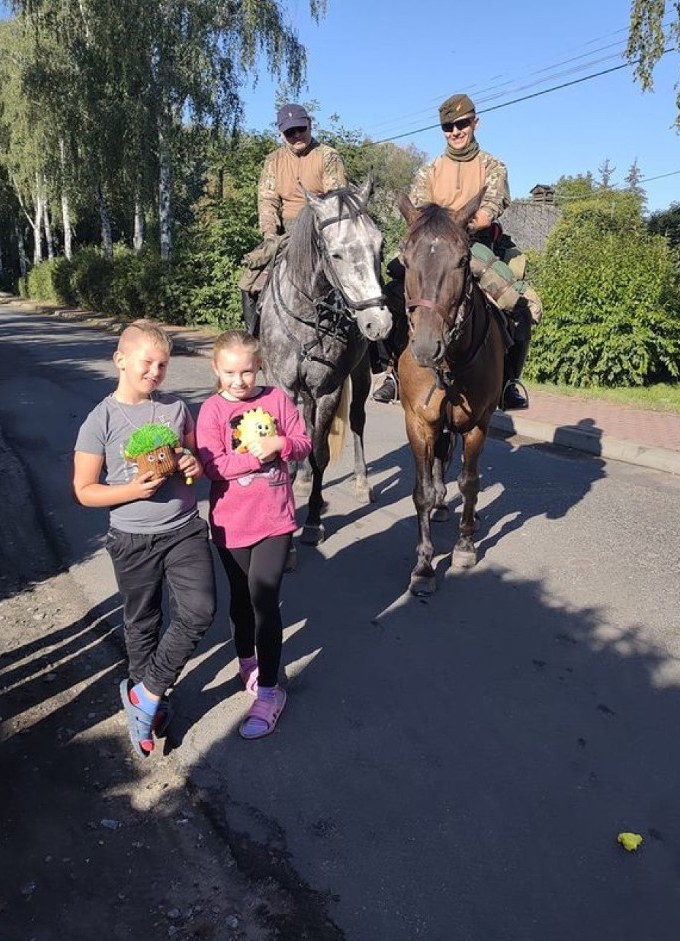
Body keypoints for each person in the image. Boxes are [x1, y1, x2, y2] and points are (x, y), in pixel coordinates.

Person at [73, 319, 216, 759]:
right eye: (147, 362)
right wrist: (131, 491)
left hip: (184, 528)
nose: (155, 372)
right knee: (142, 623)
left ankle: (147, 692)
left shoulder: (174, 408)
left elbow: (197, 458)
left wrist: (193, 464)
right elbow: (84, 490)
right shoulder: (100, 420)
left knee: (200, 610)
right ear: (120, 360)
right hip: (131, 539)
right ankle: (149, 709)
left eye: (163, 365)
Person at [373, 92, 539, 409]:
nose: (455, 131)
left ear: (475, 122)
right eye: (448, 126)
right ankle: (393, 372)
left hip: (478, 244)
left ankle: (509, 382)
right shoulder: (429, 171)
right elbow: (420, 214)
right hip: (433, 248)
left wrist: (468, 222)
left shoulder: (493, 166)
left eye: (461, 123)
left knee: (516, 304)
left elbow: (490, 207)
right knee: (390, 293)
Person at [196, 330, 311, 740]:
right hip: (230, 524)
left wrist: (281, 443)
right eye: (230, 372)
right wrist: (251, 455)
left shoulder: (277, 400)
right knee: (241, 601)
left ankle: (268, 691)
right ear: (216, 369)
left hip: (275, 520)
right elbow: (213, 466)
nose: (239, 380)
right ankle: (247, 661)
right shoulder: (210, 411)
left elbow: (303, 441)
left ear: (258, 366)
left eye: (246, 371)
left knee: (265, 599)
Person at [240, 103, 349, 333]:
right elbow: (267, 200)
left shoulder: (328, 156)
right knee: (250, 281)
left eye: (300, 128)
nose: (297, 135)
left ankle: (374, 352)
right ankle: (254, 341)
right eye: (290, 132)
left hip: (322, 229)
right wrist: (270, 235)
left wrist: (316, 227)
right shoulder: (273, 161)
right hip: (286, 233)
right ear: (281, 134)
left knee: (360, 275)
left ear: (309, 125)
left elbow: (335, 198)